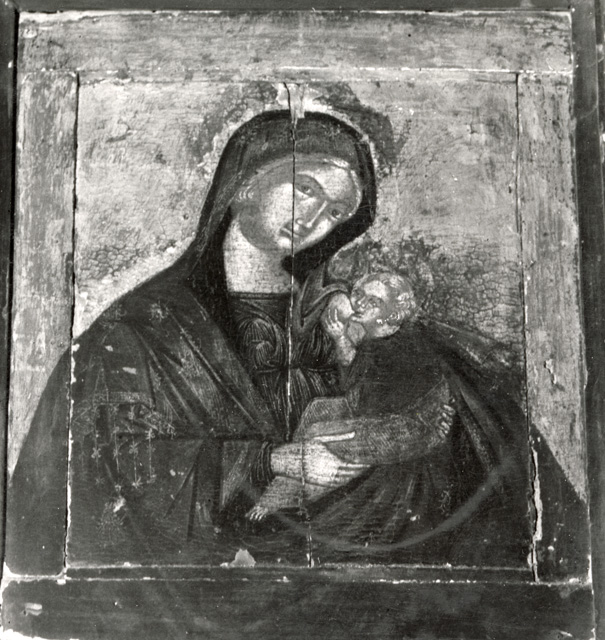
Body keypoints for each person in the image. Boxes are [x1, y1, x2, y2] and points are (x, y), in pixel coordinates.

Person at [7, 109, 529, 571]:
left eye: (336, 213)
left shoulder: (335, 310)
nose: (315, 221)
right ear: (246, 184)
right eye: (306, 189)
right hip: (213, 566)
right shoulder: (143, 326)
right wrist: (273, 460)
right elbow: (114, 463)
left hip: (351, 546)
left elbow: (403, 406)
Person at [247, 271, 453, 520]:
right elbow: (354, 384)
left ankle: (265, 470)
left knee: (317, 435)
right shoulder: (376, 337)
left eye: (374, 301)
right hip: (377, 411)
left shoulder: (404, 348)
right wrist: (340, 338)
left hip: (403, 428)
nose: (361, 304)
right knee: (317, 409)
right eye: (360, 295)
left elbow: (370, 405)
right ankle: (286, 490)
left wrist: (341, 341)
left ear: (393, 314)